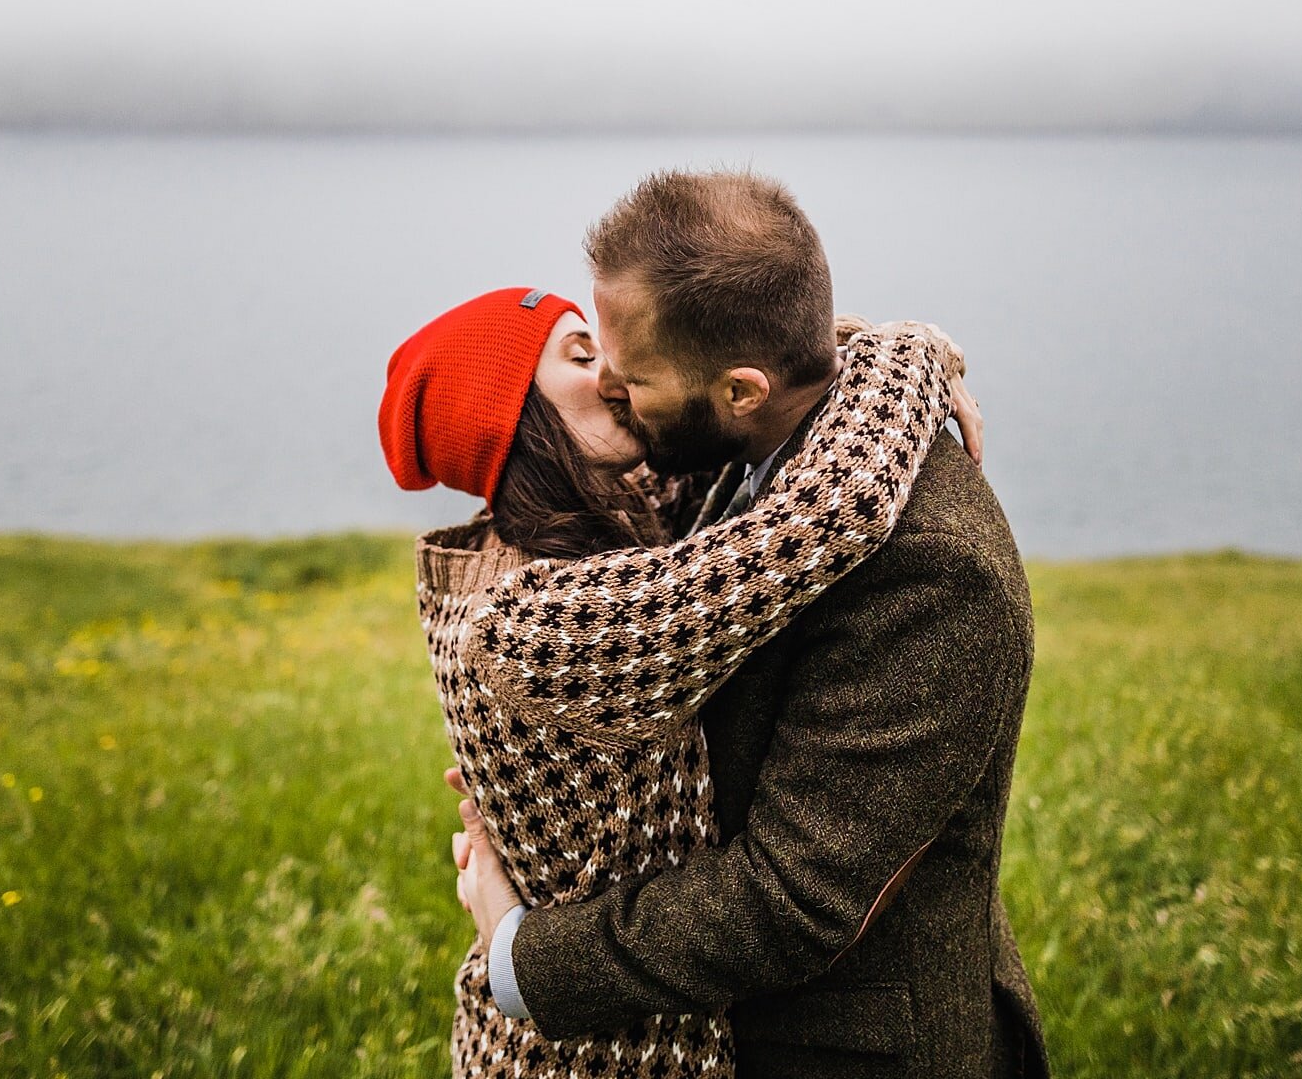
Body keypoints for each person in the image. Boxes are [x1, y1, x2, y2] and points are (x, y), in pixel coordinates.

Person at [452, 170, 1050, 1077]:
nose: (612, 389)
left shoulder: (933, 569)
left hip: (848, 1051)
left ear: (740, 389)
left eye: (635, 375)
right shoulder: (740, 455)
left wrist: (525, 957)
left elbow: (793, 896)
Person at [379, 284, 970, 1076]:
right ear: (512, 418)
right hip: (587, 1059)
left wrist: (838, 342)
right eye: (582, 356)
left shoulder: (581, 527)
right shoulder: (537, 621)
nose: (616, 371)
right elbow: (832, 512)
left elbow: (728, 378)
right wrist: (914, 353)